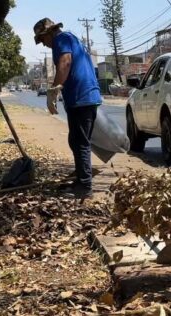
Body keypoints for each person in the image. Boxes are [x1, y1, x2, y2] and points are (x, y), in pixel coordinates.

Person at [33, 18, 102, 198]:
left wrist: (53, 91)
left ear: (49, 33)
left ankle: (85, 187)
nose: (44, 44)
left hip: (81, 97)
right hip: (84, 97)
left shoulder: (61, 39)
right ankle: (80, 180)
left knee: (80, 143)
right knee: (76, 141)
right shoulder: (71, 38)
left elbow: (65, 62)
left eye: (42, 39)